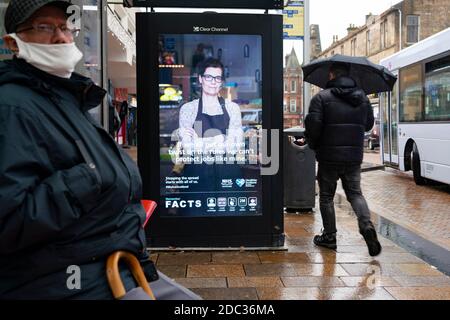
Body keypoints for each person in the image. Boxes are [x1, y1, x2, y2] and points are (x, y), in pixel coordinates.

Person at [0, 0, 200, 300]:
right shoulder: (12, 107)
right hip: (70, 280)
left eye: (67, 27)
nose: (61, 37)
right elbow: (9, 222)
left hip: (117, 267)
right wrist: (87, 178)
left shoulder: (67, 100)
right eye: (44, 27)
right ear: (13, 43)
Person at [304, 62, 382, 257]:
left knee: (326, 196)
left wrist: (314, 145)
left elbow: (313, 128)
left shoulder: (321, 98)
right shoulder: (362, 98)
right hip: (354, 157)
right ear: (349, 75)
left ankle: (329, 237)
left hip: (328, 157)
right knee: (355, 194)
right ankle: (366, 226)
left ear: (331, 75)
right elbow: (367, 126)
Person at [177, 58, 244, 192]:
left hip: (227, 178)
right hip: (197, 178)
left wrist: (199, 141)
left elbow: (233, 148)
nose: (213, 82)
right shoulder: (188, 109)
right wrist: (222, 139)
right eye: (209, 77)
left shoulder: (233, 108)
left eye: (217, 78)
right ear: (200, 79)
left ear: (221, 82)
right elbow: (189, 150)